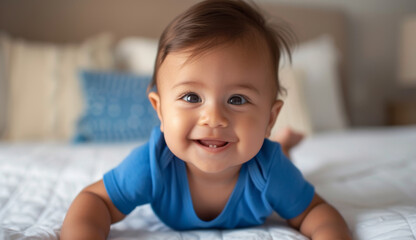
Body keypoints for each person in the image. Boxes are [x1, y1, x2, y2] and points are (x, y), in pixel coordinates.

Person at [61, 0, 352, 239]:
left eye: (237, 99)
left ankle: (284, 144)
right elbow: (95, 200)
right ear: (159, 110)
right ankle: (285, 142)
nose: (213, 118)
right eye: (191, 97)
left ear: (269, 118)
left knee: (281, 158)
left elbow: (315, 212)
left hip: (271, 153)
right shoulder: (153, 163)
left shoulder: (270, 169)